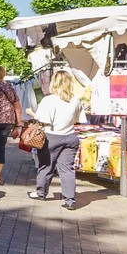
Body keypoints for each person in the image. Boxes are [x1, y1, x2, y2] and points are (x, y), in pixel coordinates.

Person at [31, 71, 85, 210]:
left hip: (51, 136)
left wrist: (31, 113)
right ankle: (69, 199)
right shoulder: (75, 100)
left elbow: (42, 119)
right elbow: (79, 120)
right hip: (70, 136)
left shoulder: (49, 100)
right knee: (67, 169)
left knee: (46, 165)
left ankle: (41, 192)